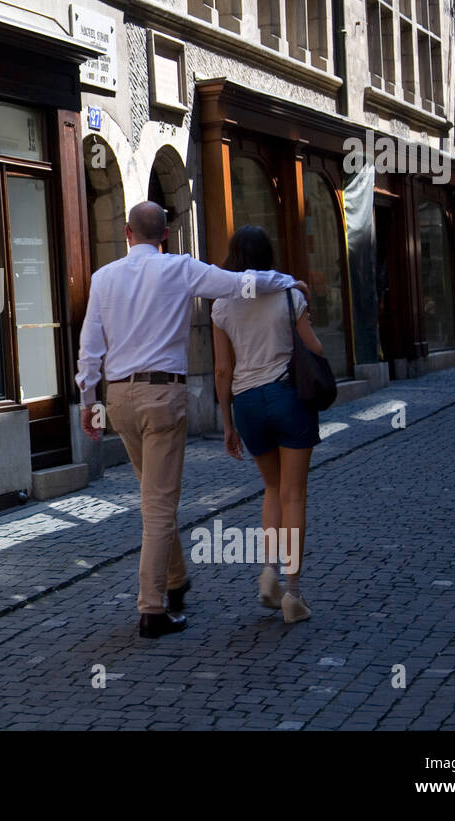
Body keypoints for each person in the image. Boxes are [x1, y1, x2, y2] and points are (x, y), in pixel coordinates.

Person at [77, 202, 308, 639]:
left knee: (153, 495)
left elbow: (90, 346)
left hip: (119, 398)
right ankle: (151, 609)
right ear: (165, 235)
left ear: (127, 233)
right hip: (163, 394)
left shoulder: (103, 278)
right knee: (159, 505)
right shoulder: (179, 268)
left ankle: (177, 581)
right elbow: (240, 285)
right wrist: (286, 282)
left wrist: (88, 401)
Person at [210, 225, 323, 625]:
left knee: (272, 489)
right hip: (286, 397)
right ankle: (292, 594)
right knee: (294, 495)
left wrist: (227, 423)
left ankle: (269, 571)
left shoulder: (222, 304)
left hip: (247, 405)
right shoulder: (289, 294)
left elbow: (223, 371)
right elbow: (316, 349)